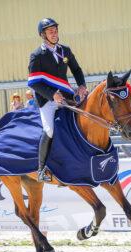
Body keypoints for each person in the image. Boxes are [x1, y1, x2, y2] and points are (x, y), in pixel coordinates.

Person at [28, 18, 87, 182]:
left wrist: (81, 85)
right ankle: (41, 169)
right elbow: (33, 83)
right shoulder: (37, 55)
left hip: (66, 97)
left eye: (55, 30)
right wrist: (52, 95)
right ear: (43, 35)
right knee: (50, 131)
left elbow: (76, 69)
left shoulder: (65, 51)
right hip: (46, 100)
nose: (54, 34)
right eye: (50, 32)